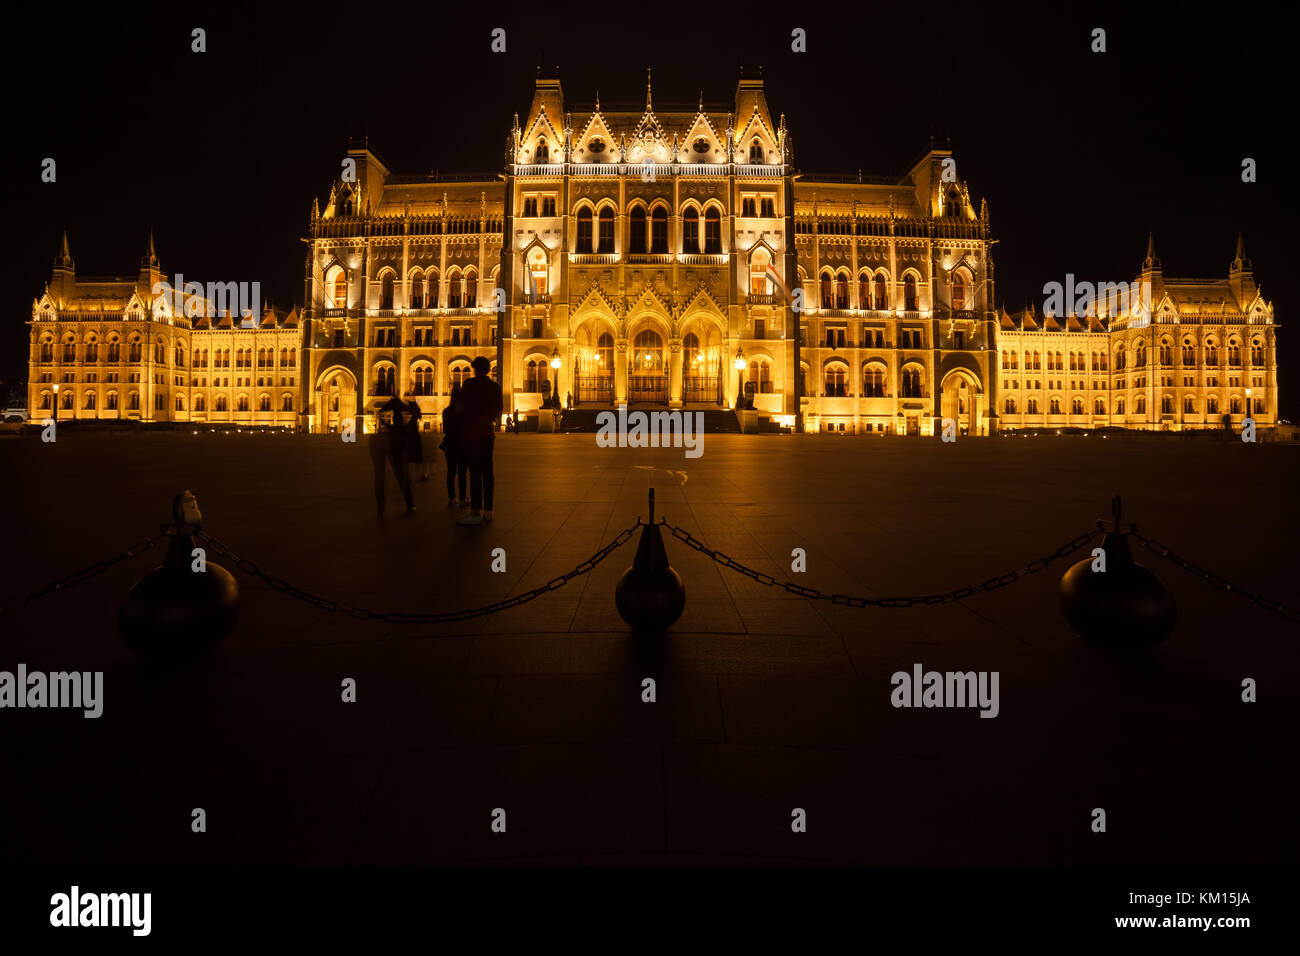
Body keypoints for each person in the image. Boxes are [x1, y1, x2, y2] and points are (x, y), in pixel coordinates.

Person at [456, 356, 503, 525]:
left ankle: (476, 510)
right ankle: (489, 510)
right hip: (487, 434)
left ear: (475, 369)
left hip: (471, 433)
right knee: (487, 470)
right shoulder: (494, 387)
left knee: (474, 472)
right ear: (488, 369)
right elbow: (498, 409)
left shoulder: (469, 385)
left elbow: (460, 407)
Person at [378, 393, 415, 513]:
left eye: (394, 418)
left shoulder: (394, 429)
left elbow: (386, 425)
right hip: (403, 455)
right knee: (404, 478)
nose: (394, 418)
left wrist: (383, 421)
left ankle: (385, 506)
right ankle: (409, 503)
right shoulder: (403, 429)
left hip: (396, 455)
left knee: (401, 477)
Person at [439, 383, 467, 507]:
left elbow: (445, 430)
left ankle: (451, 498)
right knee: (462, 473)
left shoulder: (446, 412)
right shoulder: (464, 412)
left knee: (451, 472)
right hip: (462, 444)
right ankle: (462, 499)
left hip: (450, 444)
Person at [403, 393, 429, 482]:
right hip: (413, 431)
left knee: (408, 455)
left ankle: (409, 475)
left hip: (409, 432)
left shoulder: (409, 407)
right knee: (417, 454)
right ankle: (420, 474)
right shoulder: (415, 407)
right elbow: (420, 417)